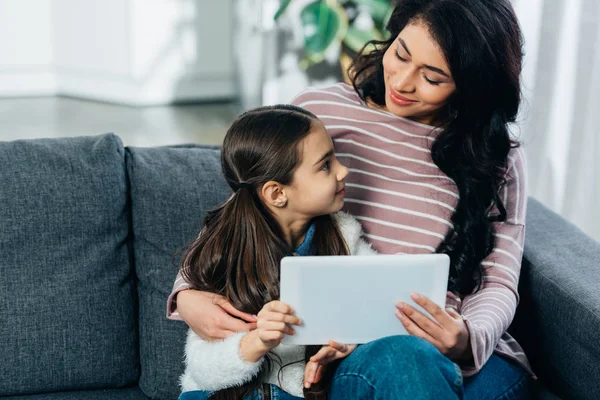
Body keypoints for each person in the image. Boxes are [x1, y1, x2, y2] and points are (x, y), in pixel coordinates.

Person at [169, 0, 533, 398]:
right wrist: (187, 295)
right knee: (398, 359)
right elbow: (248, 210)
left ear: (472, 86)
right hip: (340, 353)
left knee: (410, 359)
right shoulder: (320, 112)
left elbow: (498, 280)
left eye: (431, 77)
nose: (402, 82)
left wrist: (466, 338)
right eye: (401, 53)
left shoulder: (498, 157)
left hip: (446, 347)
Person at [178, 104, 379, 400]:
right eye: (325, 165)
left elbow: (379, 308)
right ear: (277, 193)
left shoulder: (345, 241)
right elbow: (204, 369)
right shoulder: (226, 251)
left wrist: (349, 345)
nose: (343, 170)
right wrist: (257, 341)